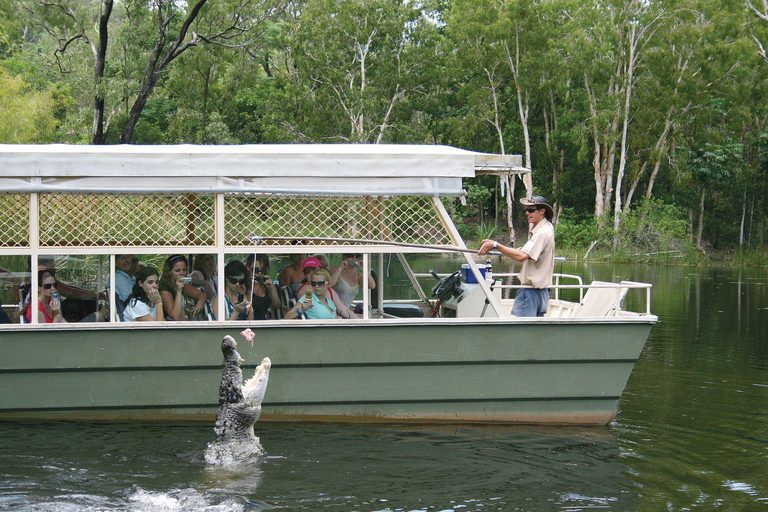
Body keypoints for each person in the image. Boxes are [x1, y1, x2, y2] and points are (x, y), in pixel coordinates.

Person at [478, 195, 555, 317]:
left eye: (531, 210)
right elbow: (526, 252)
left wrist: (496, 245)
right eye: (527, 210)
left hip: (531, 292)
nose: (527, 213)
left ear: (542, 211)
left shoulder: (541, 233)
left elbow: (521, 256)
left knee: (523, 330)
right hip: (542, 292)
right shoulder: (548, 228)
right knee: (534, 329)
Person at [159, 254, 207, 321]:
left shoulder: (183, 284)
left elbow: (201, 295)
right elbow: (175, 316)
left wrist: (200, 302)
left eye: (184, 270)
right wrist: (179, 291)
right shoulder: (165, 291)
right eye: (177, 271)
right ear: (169, 272)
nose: (182, 273)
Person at [247, 254, 281, 320]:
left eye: (262, 270)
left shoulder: (267, 285)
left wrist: (271, 288)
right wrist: (250, 288)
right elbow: (247, 309)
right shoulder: (242, 285)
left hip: (262, 322)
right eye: (256, 270)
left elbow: (277, 306)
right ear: (248, 268)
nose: (259, 273)